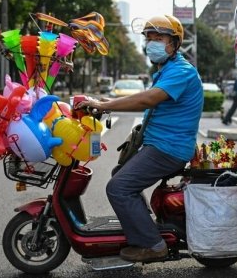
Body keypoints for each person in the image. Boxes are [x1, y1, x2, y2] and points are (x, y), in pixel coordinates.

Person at [75, 15, 204, 262]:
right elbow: (146, 98)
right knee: (119, 174)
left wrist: (104, 106)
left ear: (175, 43)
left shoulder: (181, 71)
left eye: (160, 38)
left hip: (169, 149)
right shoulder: (167, 69)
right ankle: (141, 225)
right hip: (160, 145)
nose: (152, 43)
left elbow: (147, 99)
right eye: (149, 38)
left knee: (118, 188)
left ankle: (152, 244)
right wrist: (103, 102)